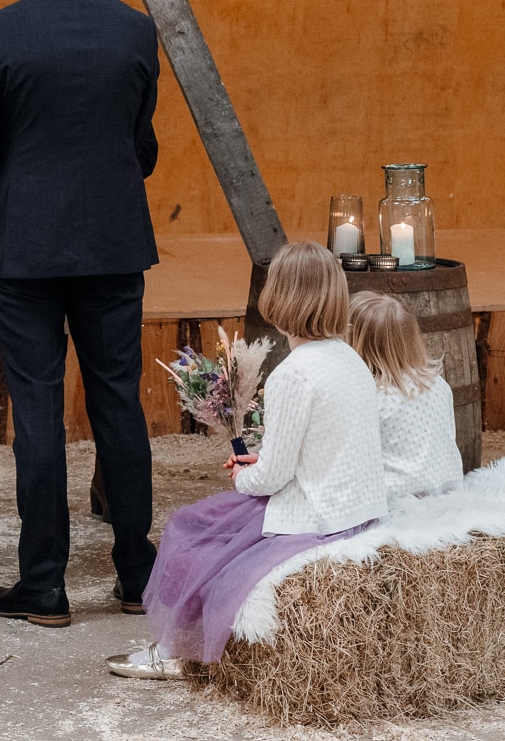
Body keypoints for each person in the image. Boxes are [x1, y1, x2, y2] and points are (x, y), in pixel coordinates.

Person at [0, 0, 160, 629]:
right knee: (118, 404)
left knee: (38, 414)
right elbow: (142, 146)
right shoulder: (135, 30)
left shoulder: (4, 32)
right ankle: (137, 575)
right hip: (112, 244)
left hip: (26, 250)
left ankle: (44, 585)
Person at [107, 242, 389, 680]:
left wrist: (243, 474)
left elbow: (272, 477)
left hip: (314, 517)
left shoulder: (292, 374)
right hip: (358, 508)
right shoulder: (348, 359)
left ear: (276, 298)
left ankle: (178, 650)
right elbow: (329, 442)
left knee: (190, 532)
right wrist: (266, 461)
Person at [346, 291, 463, 501]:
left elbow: (354, 458)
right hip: (446, 490)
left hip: (395, 497)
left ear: (356, 345)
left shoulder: (371, 396)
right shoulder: (438, 384)